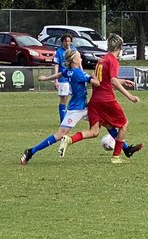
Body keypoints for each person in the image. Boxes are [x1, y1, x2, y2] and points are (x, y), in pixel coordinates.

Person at [57, 34, 143, 163]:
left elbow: (101, 79)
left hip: (95, 101)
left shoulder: (102, 59)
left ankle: (69, 139)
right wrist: (130, 96)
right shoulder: (113, 60)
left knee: (96, 130)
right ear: (120, 47)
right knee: (124, 125)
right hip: (106, 100)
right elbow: (112, 80)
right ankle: (116, 156)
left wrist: (122, 81)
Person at [21, 48, 94, 164]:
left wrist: (46, 78)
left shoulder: (70, 71)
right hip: (76, 109)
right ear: (74, 60)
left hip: (86, 107)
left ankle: (124, 147)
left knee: (106, 123)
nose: (81, 58)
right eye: (79, 57)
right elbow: (96, 82)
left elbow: (60, 74)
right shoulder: (78, 73)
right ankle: (31, 151)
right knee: (60, 134)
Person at [40, 34, 76, 123]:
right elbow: (56, 66)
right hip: (63, 78)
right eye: (65, 41)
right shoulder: (59, 52)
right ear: (62, 42)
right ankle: (63, 120)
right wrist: (55, 80)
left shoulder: (74, 50)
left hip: (73, 77)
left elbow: (78, 64)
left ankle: (70, 118)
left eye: (68, 41)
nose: (67, 43)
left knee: (74, 98)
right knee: (64, 98)